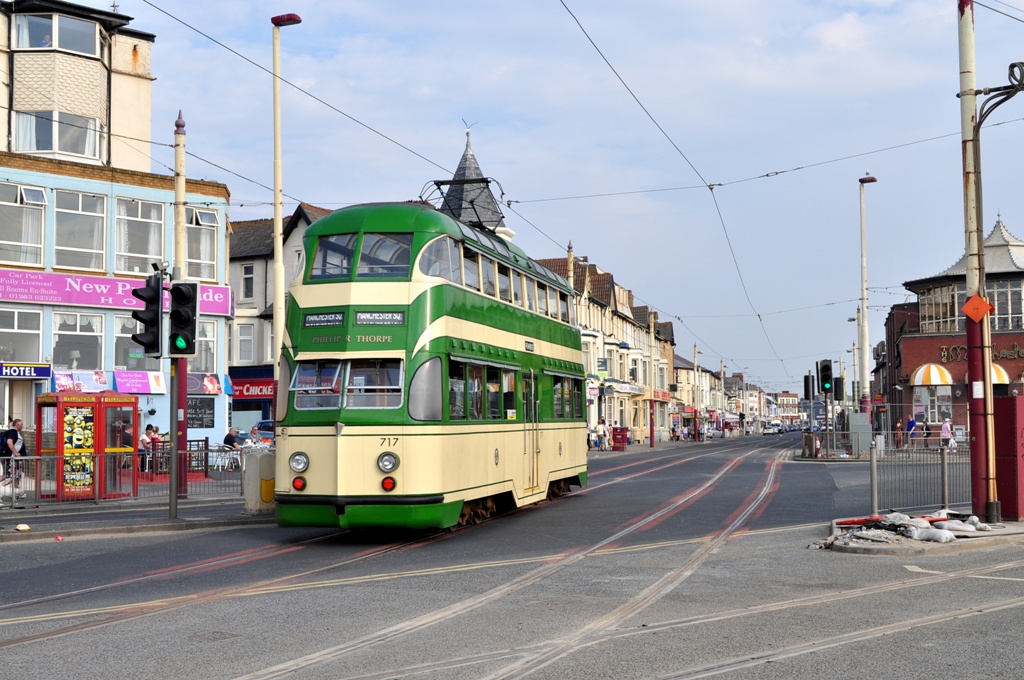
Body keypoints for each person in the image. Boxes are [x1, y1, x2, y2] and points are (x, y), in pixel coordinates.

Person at [1, 419, 25, 498]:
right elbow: (9, 442)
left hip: (15, 459)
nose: (22, 426)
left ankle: (17, 493)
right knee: (10, 476)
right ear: (17, 425)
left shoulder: (16, 433)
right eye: (21, 424)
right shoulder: (13, 432)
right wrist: (15, 453)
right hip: (12, 458)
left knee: (16, 476)